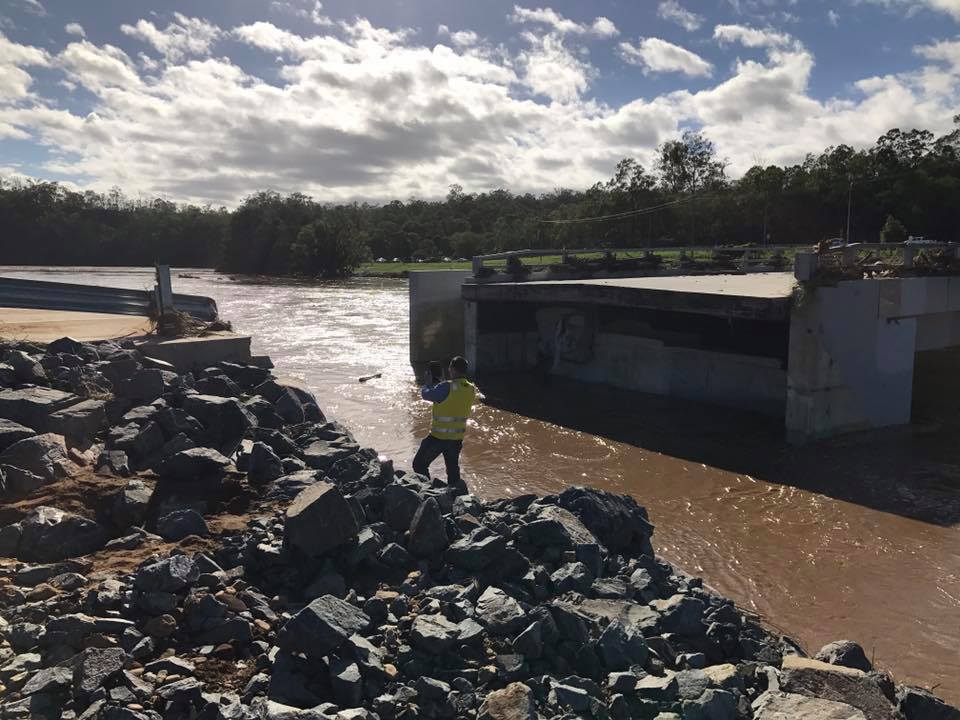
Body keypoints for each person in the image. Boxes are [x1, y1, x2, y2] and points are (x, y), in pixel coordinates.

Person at [413, 355, 477, 494]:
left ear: (452, 369)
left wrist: (427, 383)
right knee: (453, 472)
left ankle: (427, 493)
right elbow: (454, 398)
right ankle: (457, 497)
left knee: (419, 464)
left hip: (438, 437)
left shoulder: (446, 386)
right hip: (456, 439)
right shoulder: (471, 388)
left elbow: (427, 395)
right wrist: (442, 383)